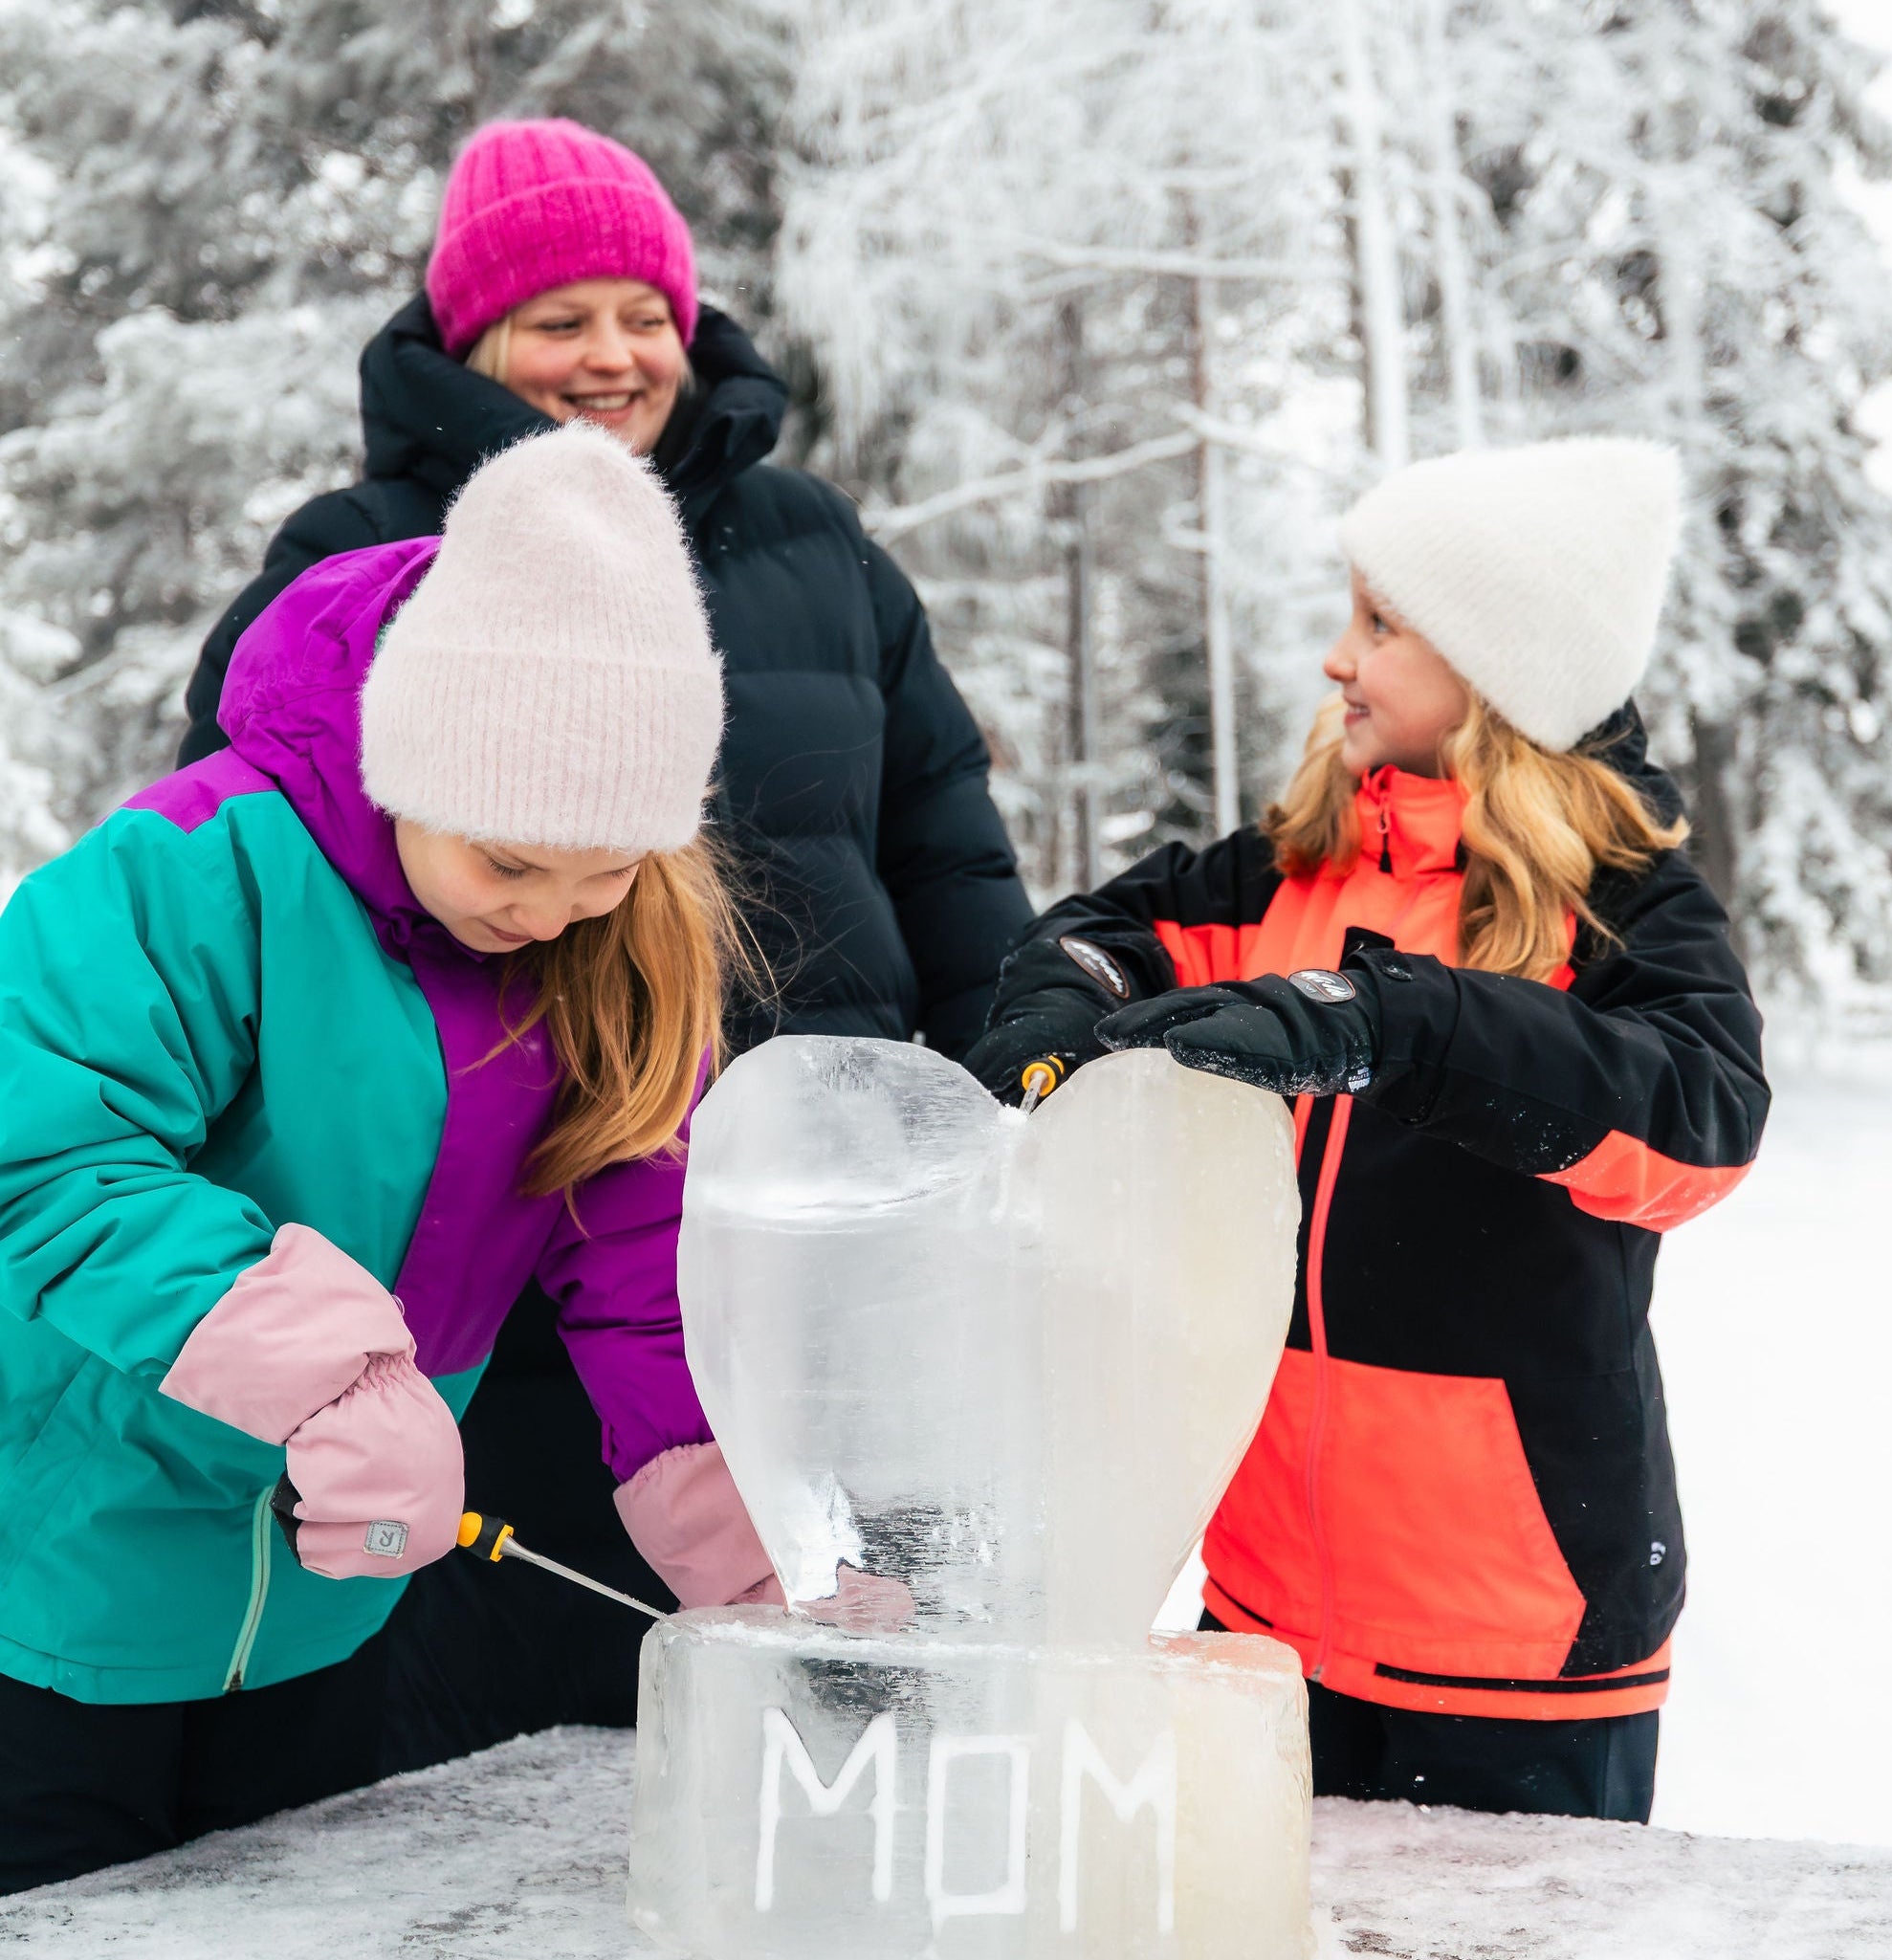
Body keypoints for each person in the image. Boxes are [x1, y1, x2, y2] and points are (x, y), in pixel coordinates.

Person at [175, 118, 1030, 1768]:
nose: (612, 355)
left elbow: (943, 837)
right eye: (556, 319)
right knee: (521, 1702)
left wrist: (1000, 1094)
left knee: (824, 1670)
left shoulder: (815, 549)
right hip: (520, 1237)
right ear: (471, 341)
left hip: (825, 1243)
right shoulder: (359, 562)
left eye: (642, 312)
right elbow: (262, 873)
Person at [0, 425, 787, 1891]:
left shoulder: (615, 950)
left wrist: (745, 1549)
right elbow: (45, 1150)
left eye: (604, 865)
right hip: (58, 1578)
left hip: (327, 1597)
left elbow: (644, 1271)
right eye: (506, 860)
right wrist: (346, 1379)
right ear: (411, 760)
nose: (553, 911)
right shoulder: (201, 866)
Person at [965, 437, 1770, 1823]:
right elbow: (1112, 932)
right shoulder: (1296, 869)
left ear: (1499, 670)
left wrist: (1403, 1023)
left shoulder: (1625, 907)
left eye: (1381, 625)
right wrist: (1063, 1000)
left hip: (1514, 1649)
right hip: (1262, 1613)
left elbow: (1702, 1122)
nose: (1340, 659)